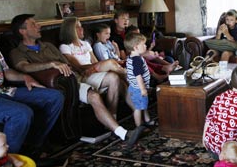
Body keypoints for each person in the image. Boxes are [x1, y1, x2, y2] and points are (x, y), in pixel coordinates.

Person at [9, 14, 142, 146]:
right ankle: (122, 133)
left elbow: (70, 64)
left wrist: (91, 69)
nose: (38, 26)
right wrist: (51, 64)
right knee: (94, 96)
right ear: (22, 31)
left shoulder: (48, 46)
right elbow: (24, 67)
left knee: (114, 77)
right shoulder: (17, 52)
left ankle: (117, 118)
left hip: (78, 76)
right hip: (68, 83)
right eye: (33, 24)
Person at [0, 35, 63, 157]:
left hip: (1, 91)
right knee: (21, 113)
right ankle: (7, 159)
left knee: (54, 97)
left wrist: (24, 77)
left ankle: (32, 147)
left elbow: (6, 71)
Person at [124, 32, 155, 130]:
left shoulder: (132, 57)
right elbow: (138, 76)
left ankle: (146, 119)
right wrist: (142, 89)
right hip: (138, 88)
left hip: (134, 87)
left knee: (143, 104)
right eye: (143, 44)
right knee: (138, 108)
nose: (145, 46)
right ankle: (139, 126)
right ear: (136, 47)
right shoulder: (136, 60)